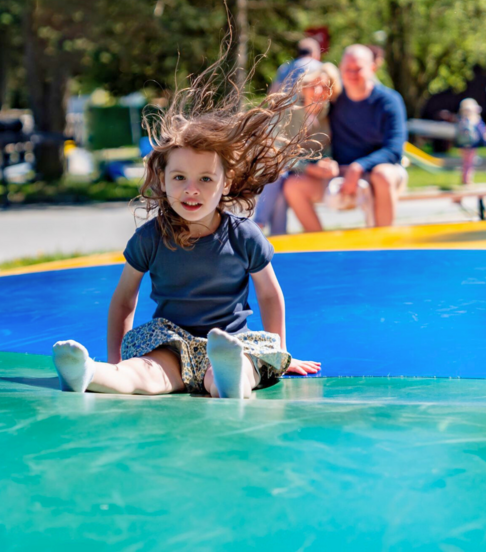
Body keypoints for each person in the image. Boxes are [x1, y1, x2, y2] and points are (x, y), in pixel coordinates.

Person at [52, 59, 321, 400]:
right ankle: (93, 373)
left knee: (246, 362)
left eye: (205, 179)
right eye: (179, 178)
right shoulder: (149, 238)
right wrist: (117, 361)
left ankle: (229, 377)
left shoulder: (243, 235)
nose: (191, 189)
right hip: (172, 344)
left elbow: (269, 294)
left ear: (226, 184)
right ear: (162, 182)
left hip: (232, 340)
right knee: (145, 375)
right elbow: (123, 300)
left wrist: (280, 355)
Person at [284, 44, 406, 231]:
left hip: (376, 170)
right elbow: (315, 132)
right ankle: (320, 247)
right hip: (339, 172)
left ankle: (385, 245)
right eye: (347, 69)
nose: (352, 74)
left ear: (372, 68)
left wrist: (359, 167)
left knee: (384, 175)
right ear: (341, 69)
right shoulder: (334, 100)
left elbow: (394, 150)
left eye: (358, 69)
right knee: (293, 185)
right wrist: (322, 163)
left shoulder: (389, 101)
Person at [254, 63, 341, 235]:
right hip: (275, 166)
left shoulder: (327, 116)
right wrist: (310, 167)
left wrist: (326, 163)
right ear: (305, 86)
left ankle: (275, 236)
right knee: (278, 176)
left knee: (284, 181)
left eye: (324, 87)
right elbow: (276, 151)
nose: (317, 91)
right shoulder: (289, 109)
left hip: (301, 171)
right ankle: (259, 226)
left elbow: (324, 150)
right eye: (313, 85)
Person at [455, 98, 485, 185]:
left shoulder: (461, 119)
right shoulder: (475, 119)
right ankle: (468, 180)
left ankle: (464, 178)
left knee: (465, 162)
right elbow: (481, 130)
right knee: (470, 162)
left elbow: (457, 134)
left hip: (462, 145)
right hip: (472, 145)